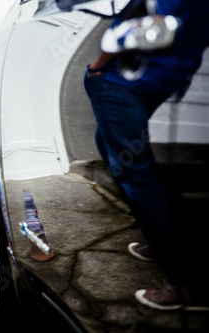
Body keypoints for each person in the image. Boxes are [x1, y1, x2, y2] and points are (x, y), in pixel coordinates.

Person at [84, 0, 209, 310]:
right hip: (166, 74)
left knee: (136, 173)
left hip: (124, 78)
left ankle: (188, 285)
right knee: (110, 146)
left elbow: (161, 25)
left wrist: (100, 61)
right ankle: (161, 241)